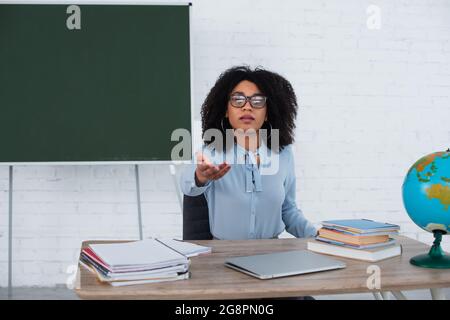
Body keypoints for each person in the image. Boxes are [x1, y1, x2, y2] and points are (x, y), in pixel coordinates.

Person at [180, 65, 317, 240]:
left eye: (257, 101)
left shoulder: (284, 154)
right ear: (226, 111)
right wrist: (200, 177)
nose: (247, 107)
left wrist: (317, 235)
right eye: (238, 100)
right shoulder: (211, 152)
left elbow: (288, 210)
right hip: (223, 254)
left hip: (271, 254)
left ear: (268, 113)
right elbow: (187, 186)